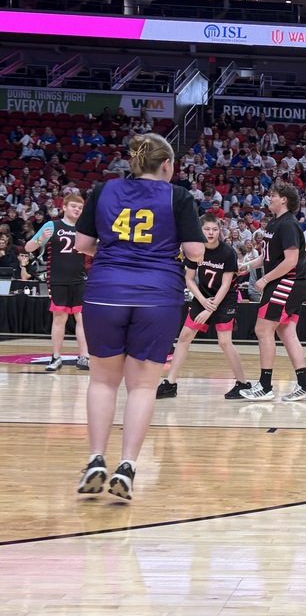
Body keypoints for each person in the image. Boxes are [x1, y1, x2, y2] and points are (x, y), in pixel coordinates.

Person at [74, 133, 205, 501]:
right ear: (167, 165)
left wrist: (117, 248)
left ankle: (96, 459)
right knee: (143, 387)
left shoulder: (103, 190)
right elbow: (196, 252)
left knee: (102, 382)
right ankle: (127, 466)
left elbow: (83, 245)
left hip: (105, 292)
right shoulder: (178, 196)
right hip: (156, 296)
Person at [236, 182, 306, 402]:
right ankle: (304, 384)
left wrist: (264, 279)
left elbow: (290, 261)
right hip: (287, 282)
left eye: (273, 195)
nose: (269, 198)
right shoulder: (274, 223)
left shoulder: (289, 224)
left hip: (288, 281)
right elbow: (268, 258)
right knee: (286, 332)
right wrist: (247, 266)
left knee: (263, 329)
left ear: (284, 199)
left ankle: (264, 386)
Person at [156, 214, 250, 400]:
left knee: (224, 342)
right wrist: (201, 300)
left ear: (220, 231)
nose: (211, 233)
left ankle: (242, 384)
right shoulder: (195, 250)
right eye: (207, 229)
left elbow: (225, 284)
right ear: (200, 230)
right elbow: (189, 279)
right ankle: (170, 384)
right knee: (184, 336)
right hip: (203, 297)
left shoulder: (227, 252)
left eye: (215, 229)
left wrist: (211, 308)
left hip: (225, 299)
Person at [24, 194, 90, 371]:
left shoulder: (84, 228)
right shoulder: (52, 225)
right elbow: (28, 247)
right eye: (74, 206)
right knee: (59, 317)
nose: (77, 209)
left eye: (80, 207)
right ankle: (56, 357)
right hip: (58, 279)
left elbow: (91, 252)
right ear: (65, 207)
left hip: (79, 278)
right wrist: (39, 239)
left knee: (82, 318)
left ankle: (84, 357)